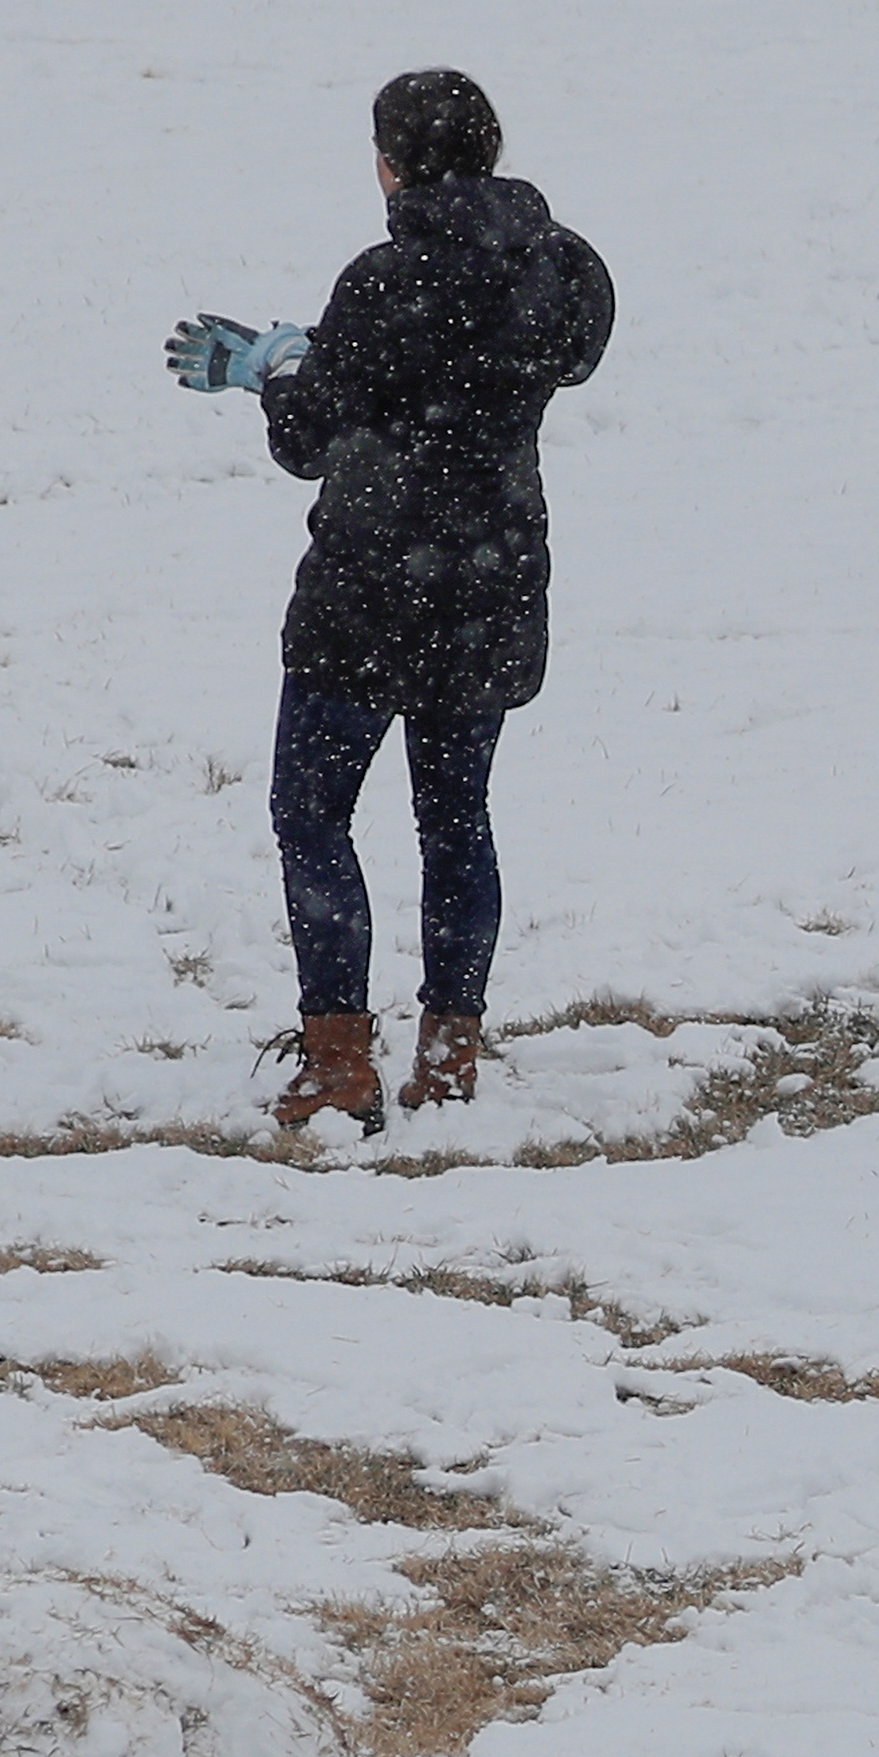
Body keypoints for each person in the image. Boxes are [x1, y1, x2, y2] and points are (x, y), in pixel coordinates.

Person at [166, 67, 616, 1136]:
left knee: (312, 811)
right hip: (492, 582)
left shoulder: (382, 281)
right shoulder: (562, 267)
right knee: (455, 818)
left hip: (370, 592)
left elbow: (308, 436)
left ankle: (339, 1064)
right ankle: (449, 1058)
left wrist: (276, 366)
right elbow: (549, 360)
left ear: (390, 166)